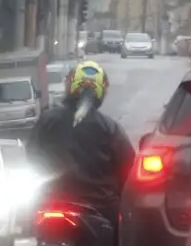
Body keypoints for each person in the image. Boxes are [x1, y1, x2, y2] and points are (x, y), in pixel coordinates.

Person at [26, 60, 135, 246]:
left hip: (50, 203)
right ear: (101, 90)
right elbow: (129, 169)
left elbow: (30, 154)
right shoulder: (110, 128)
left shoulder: (47, 120)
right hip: (99, 208)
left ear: (70, 85)